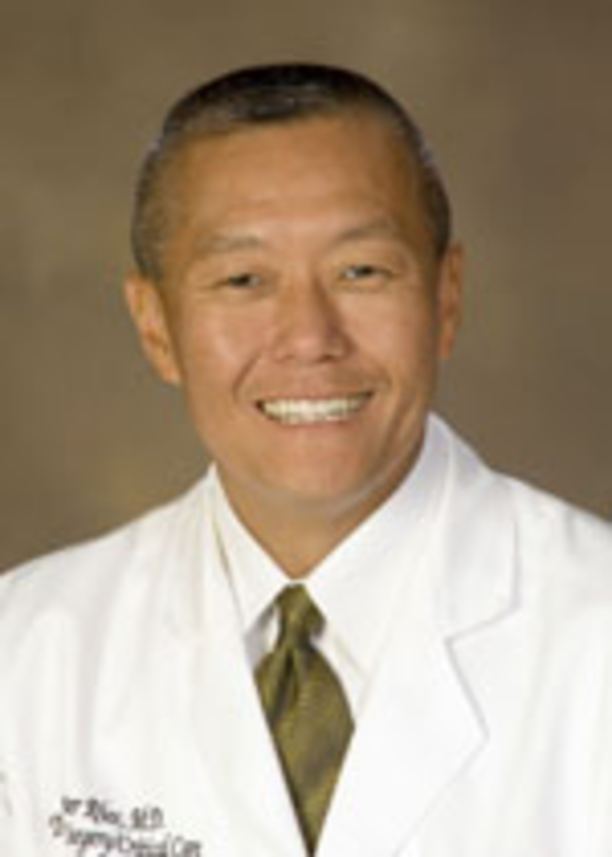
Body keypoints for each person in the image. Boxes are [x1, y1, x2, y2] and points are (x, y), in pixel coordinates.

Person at [0, 63, 611, 857]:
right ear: (155, 325)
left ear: (446, 296)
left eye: (361, 272)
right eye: (244, 279)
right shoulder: (27, 652)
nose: (309, 337)